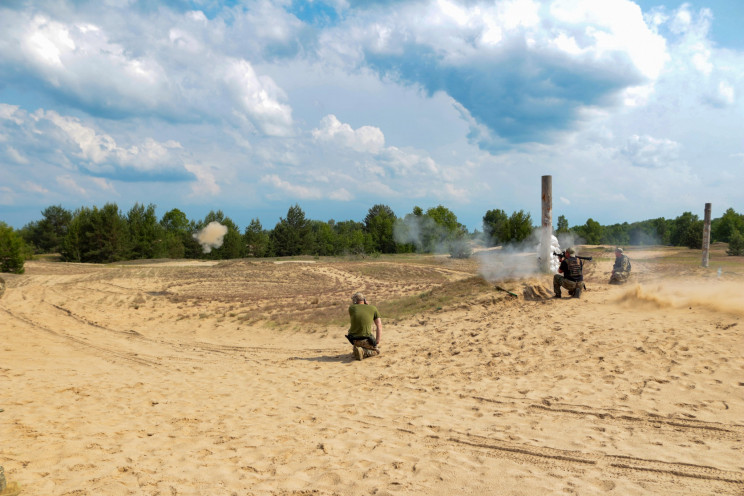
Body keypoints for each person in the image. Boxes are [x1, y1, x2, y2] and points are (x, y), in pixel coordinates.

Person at [345, 292, 382, 360]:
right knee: (376, 351)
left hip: (354, 339)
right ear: (364, 300)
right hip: (365, 339)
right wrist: (377, 340)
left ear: (354, 301)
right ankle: (364, 352)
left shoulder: (351, 308)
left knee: (358, 345)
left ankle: (358, 349)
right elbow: (379, 325)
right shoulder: (373, 308)